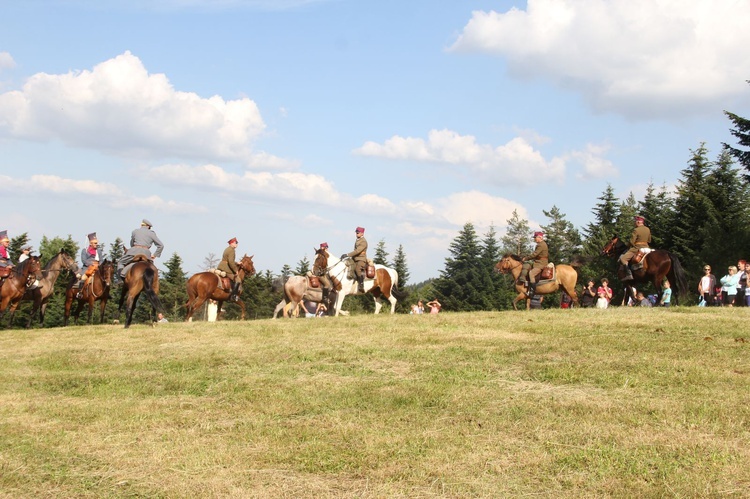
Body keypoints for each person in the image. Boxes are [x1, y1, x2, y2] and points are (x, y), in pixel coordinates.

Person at [619, 215, 651, 281]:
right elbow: (649, 240)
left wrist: (629, 245)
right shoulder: (648, 229)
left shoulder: (636, 230)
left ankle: (629, 274)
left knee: (623, 259)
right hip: (647, 247)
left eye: (635, 221)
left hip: (637, 248)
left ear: (638, 222)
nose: (635, 223)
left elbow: (631, 241)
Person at [520, 231, 549, 298]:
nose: (534, 239)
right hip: (538, 262)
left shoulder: (541, 245)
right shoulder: (542, 244)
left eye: (535, 237)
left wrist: (526, 258)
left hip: (541, 264)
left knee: (531, 273)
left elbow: (535, 254)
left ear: (540, 237)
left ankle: (533, 291)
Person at [76, 232, 104, 299]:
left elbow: (101, 260)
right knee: (83, 278)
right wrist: (91, 264)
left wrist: (98, 265)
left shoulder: (99, 251)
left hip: (97, 268)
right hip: (87, 268)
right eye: (95, 243)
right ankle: (80, 292)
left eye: (97, 243)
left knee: (105, 277)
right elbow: (84, 260)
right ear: (90, 243)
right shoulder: (84, 250)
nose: (96, 244)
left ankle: (105, 293)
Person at [341, 226, 368, 293]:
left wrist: (347, 255)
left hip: (361, 259)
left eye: (358, 233)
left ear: (362, 233)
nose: (357, 234)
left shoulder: (363, 241)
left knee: (357, 269)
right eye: (356, 232)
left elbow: (357, 251)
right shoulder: (358, 240)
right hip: (355, 258)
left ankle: (361, 285)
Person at [218, 237, 241, 302]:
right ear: (232, 243)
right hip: (226, 268)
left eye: (237, 243)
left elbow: (228, 260)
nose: (237, 244)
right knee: (238, 280)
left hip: (221, 266)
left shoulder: (227, 249)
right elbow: (230, 262)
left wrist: (236, 262)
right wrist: (235, 270)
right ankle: (233, 296)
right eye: (236, 243)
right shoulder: (232, 250)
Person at [317, 242, 334, 306]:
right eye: (324, 247)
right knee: (327, 284)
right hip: (320, 274)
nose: (326, 249)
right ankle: (325, 298)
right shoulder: (319, 255)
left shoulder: (328, 255)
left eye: (326, 247)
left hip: (327, 273)